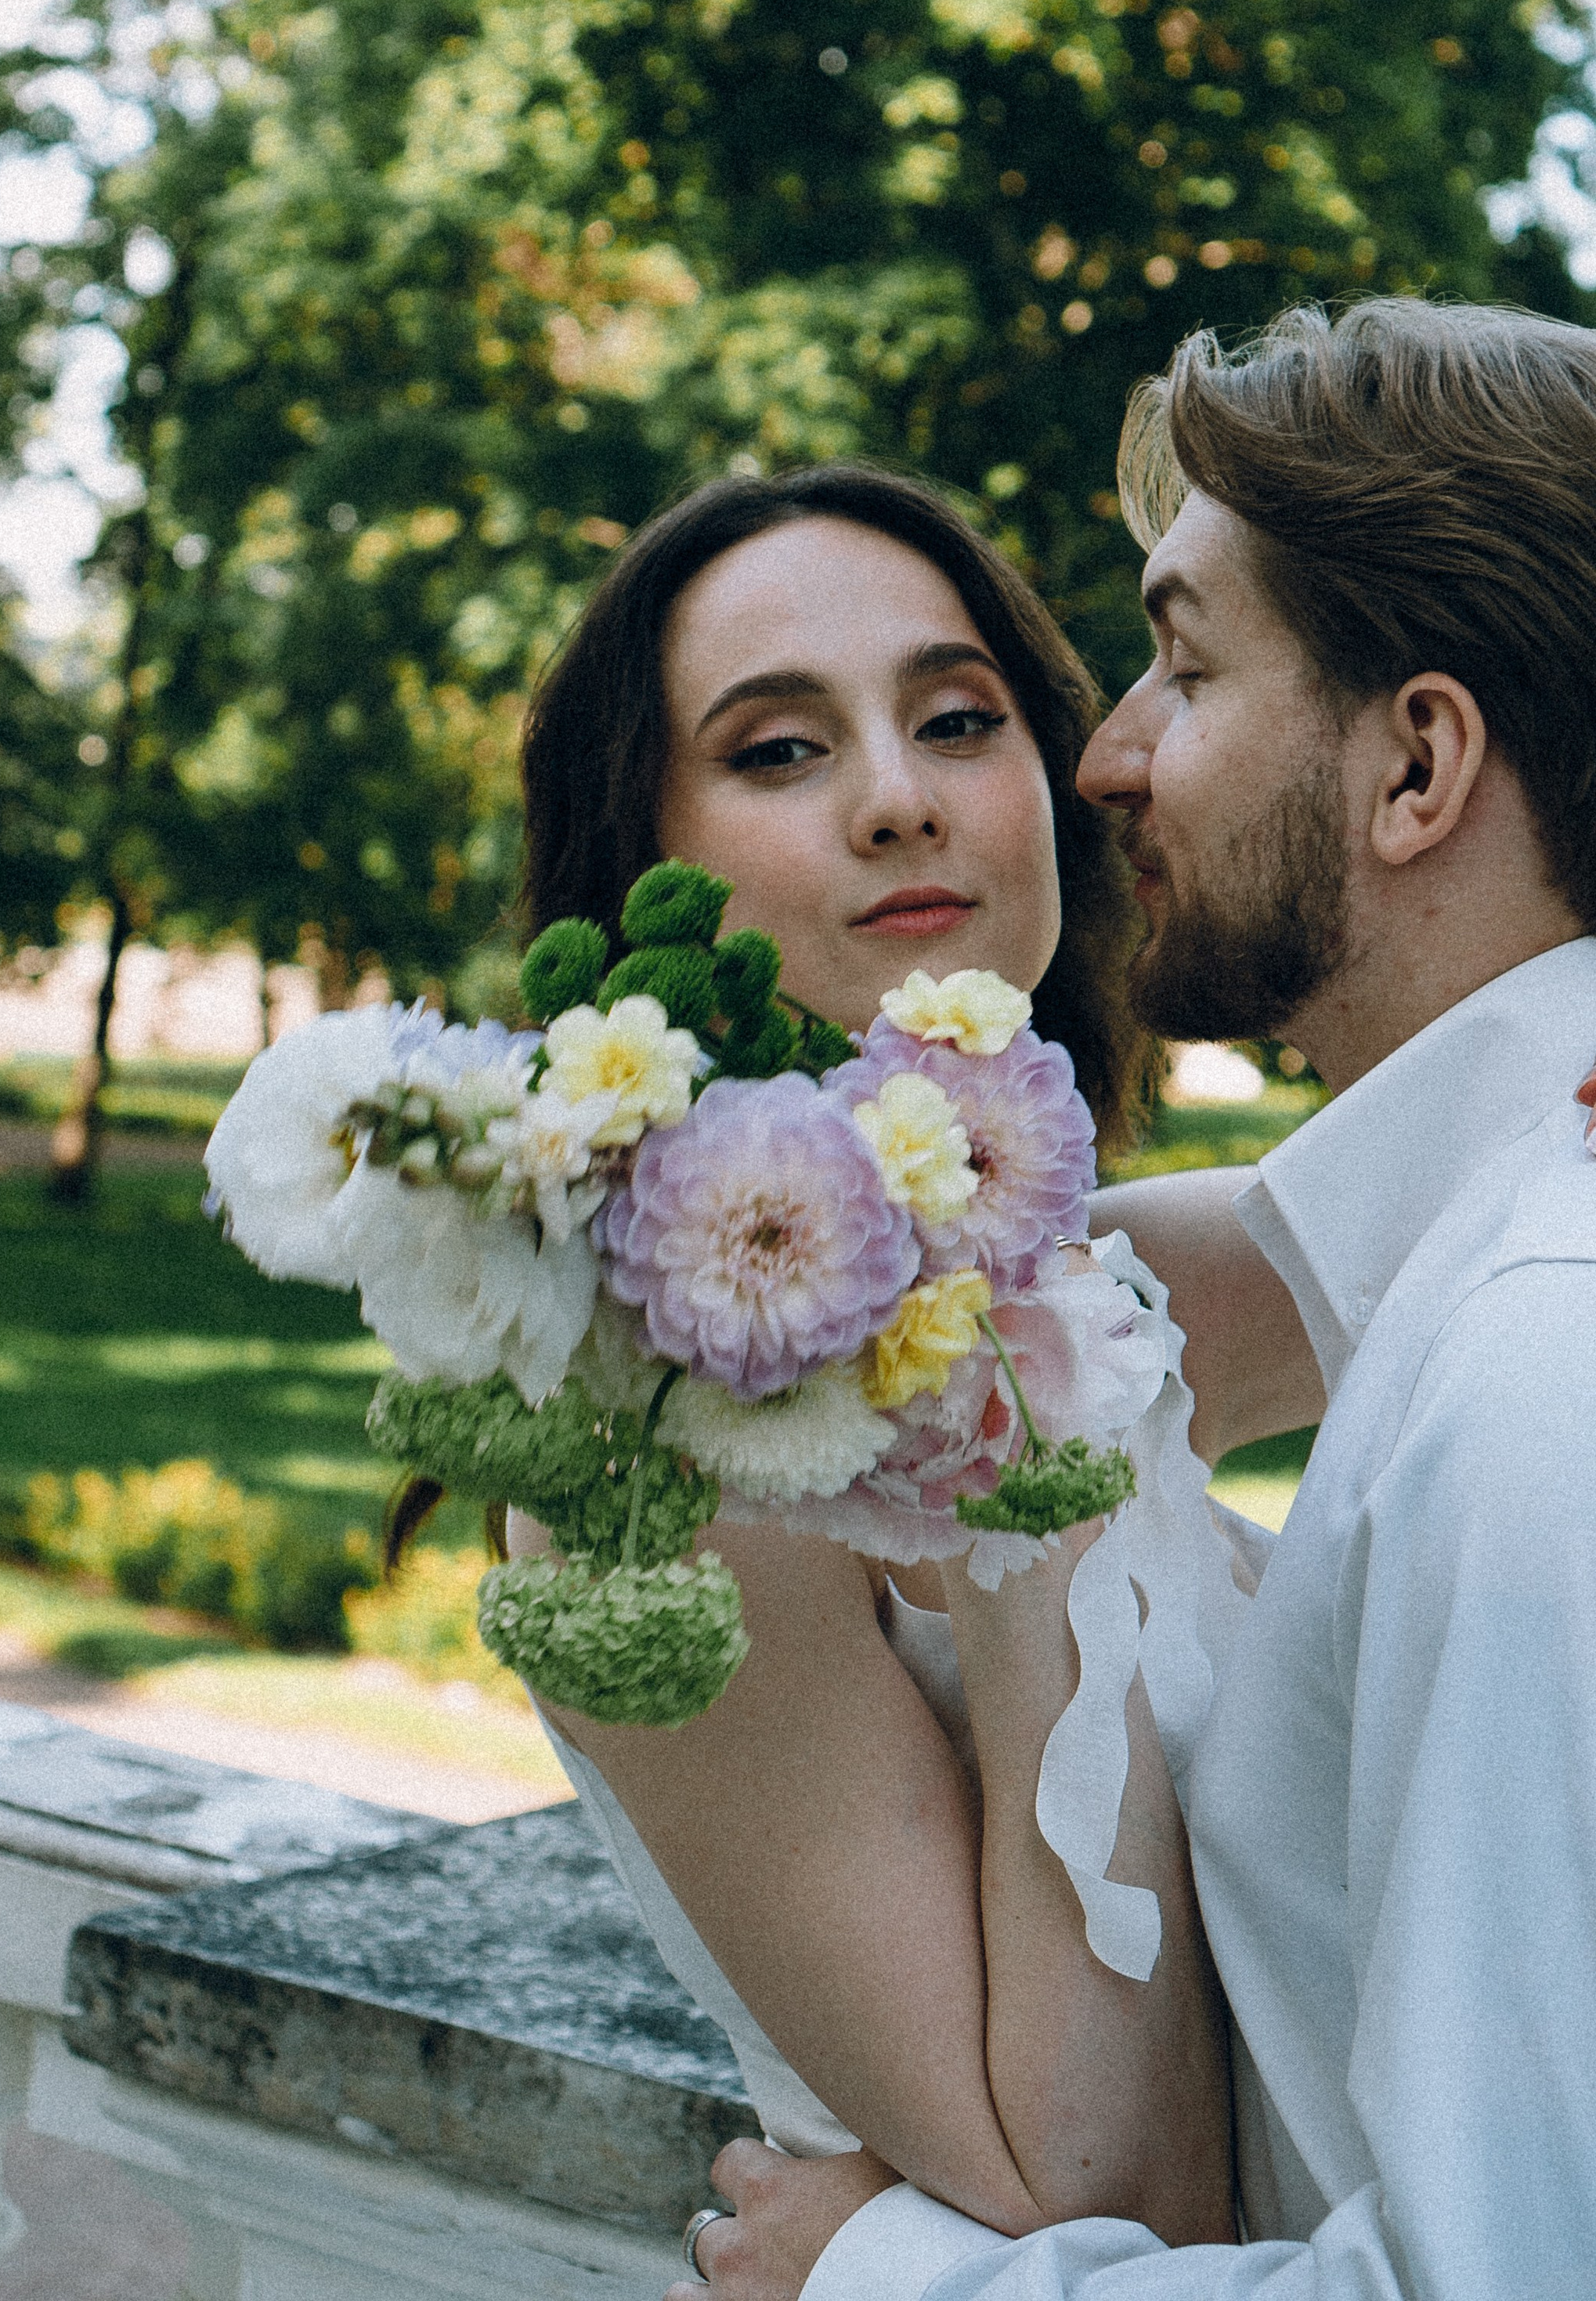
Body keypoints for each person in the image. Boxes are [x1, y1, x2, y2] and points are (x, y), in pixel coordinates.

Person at [691, 295, 1596, 2301]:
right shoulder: (1475, 1254)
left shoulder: (1534, 1354)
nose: (1100, 756)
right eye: (774, 744)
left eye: (1179, 667)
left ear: (1417, 763)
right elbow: (1201, 1268)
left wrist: (885, 2283)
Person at [505, 457, 1308, 2252]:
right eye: (777, 750)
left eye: (956, 720)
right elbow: (1094, 2201)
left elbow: (1496, 1175)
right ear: (645, 864)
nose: (895, 802)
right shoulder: (664, 1471)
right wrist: (1009, 1496)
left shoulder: (1095, 1280)